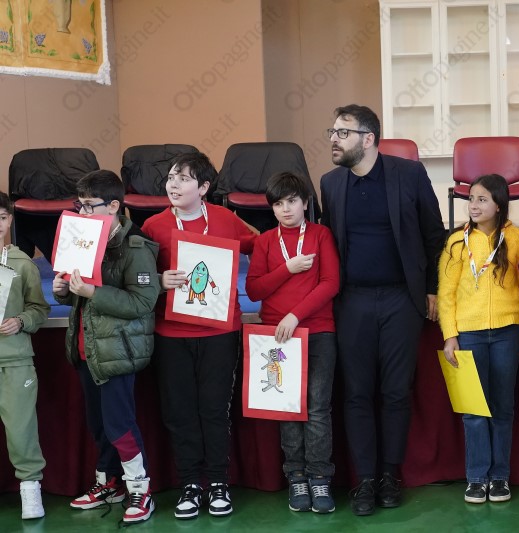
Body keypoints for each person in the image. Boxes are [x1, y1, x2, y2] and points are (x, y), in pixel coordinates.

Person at [320, 104, 446, 516]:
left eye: (343, 133)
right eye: (332, 132)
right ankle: (364, 480)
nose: (334, 139)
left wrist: (433, 289)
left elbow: (434, 235)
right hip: (352, 301)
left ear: (368, 138)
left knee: (395, 391)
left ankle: (390, 475)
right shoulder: (330, 183)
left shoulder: (409, 174)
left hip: (401, 300)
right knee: (356, 393)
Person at [142, 152, 257, 519]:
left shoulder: (226, 219)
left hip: (220, 331)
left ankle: (219, 482)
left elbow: (261, 245)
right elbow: (137, 277)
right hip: (170, 331)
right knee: (179, 411)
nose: (174, 185)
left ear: (204, 187)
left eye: (184, 178)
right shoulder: (153, 227)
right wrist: (158, 280)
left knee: (214, 408)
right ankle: (190, 484)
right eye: (171, 177)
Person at [53, 171, 159, 523]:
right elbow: (78, 296)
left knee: (119, 424)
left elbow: (143, 302)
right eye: (79, 205)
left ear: (113, 206)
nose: (82, 213)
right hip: (87, 347)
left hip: (118, 352)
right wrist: (63, 292)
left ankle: (140, 490)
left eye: (89, 206)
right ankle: (108, 482)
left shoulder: (135, 246)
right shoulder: (81, 239)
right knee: (98, 424)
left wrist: (93, 292)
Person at [245, 171, 339, 514]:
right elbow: (254, 289)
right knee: (287, 409)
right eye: (278, 204)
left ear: (305, 203)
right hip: (277, 336)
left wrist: (295, 315)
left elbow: (330, 283)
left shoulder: (320, 234)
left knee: (317, 409)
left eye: (292, 201)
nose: (285, 209)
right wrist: (288, 268)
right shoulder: (265, 241)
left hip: (317, 331)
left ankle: (319, 477)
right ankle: (296, 476)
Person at [439, 174, 519, 504]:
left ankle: (500, 477)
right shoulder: (456, 242)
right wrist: (450, 335)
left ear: (499, 204)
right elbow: (446, 294)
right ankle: (477, 478)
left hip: (507, 333)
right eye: (471, 199)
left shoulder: (516, 237)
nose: (474, 205)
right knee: (474, 410)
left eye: (482, 199)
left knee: (502, 407)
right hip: (469, 334)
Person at [0, 192, 50, 520]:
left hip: (15, 360)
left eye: (2, 218)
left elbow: (39, 308)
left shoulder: (21, 263)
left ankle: (30, 488)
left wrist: (20, 321)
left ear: (10, 221)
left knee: (21, 430)